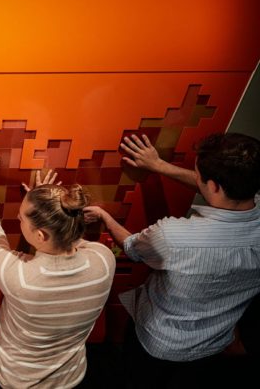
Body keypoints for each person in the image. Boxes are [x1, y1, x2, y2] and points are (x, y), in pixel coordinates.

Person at [83, 133, 260, 387]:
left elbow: (132, 249)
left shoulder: (174, 235)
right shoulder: (244, 191)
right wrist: (159, 166)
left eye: (196, 173)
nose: (195, 177)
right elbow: (218, 188)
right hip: (214, 345)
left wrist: (104, 217)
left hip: (158, 344)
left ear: (213, 186)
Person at [0, 149, 116, 389]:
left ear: (40, 235)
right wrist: (46, 207)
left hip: (14, 380)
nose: (19, 221)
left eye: (21, 219)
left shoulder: (20, 278)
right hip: (69, 378)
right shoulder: (104, 260)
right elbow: (73, 237)